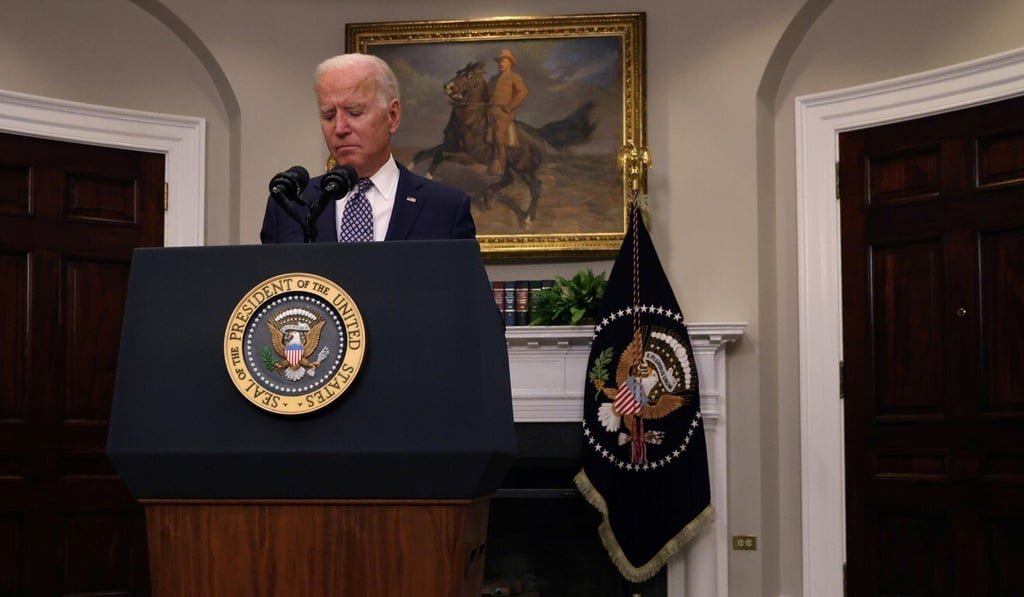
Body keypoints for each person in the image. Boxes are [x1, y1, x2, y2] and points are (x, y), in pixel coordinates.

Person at [260, 53, 476, 243]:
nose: (340, 128)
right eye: (328, 116)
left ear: (392, 116)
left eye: (354, 113)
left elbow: (463, 289)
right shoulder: (290, 207)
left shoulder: (445, 208)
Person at [488, 49, 528, 176]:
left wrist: (510, 106)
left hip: (504, 113)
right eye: (500, 61)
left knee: (499, 137)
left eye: (504, 61)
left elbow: (523, 92)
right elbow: (487, 95)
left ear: (510, 63)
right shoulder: (493, 79)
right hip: (489, 110)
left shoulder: (514, 77)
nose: (501, 63)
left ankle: (500, 167)